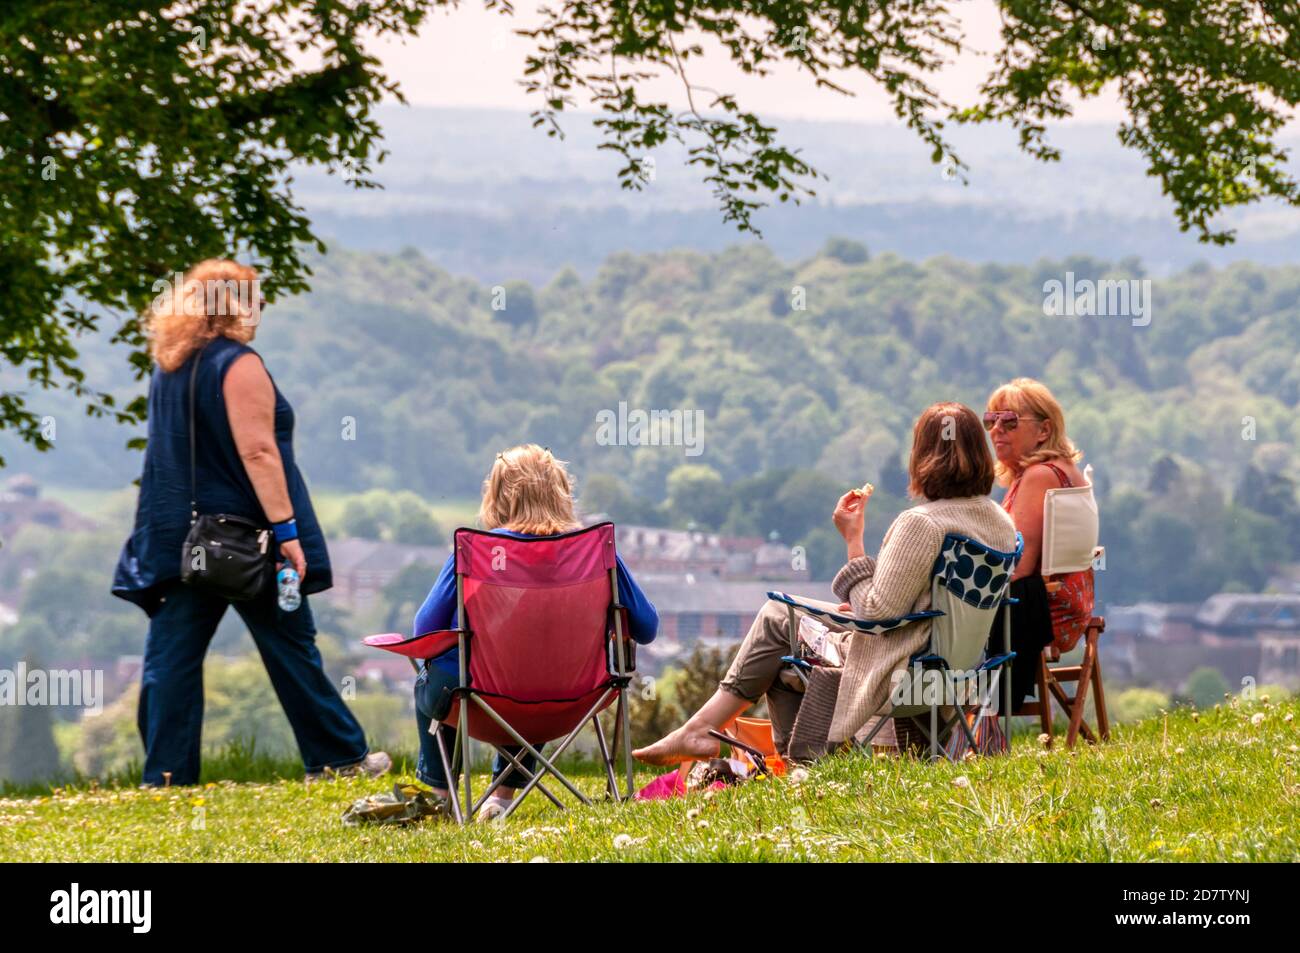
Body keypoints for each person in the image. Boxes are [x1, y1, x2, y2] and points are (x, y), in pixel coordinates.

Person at [113, 259, 389, 786]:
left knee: (170, 657)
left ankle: (165, 778)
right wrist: (287, 533)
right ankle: (337, 760)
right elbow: (259, 452)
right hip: (246, 541)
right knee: (291, 645)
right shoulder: (237, 364)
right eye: (251, 297)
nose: (259, 307)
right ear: (226, 305)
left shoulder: (171, 366)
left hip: (177, 540)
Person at [634, 402, 1017, 765]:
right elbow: (936, 603)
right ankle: (714, 735)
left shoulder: (922, 523)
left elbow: (876, 613)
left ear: (922, 457)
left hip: (903, 673)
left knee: (777, 620)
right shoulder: (1000, 522)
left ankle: (733, 741)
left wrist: (853, 540)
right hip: (964, 675)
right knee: (783, 657)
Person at [412, 444, 659, 821]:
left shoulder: (476, 552)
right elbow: (648, 628)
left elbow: (423, 631)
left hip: (483, 701)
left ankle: (439, 793)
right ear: (562, 493)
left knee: (440, 672)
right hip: (576, 699)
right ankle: (501, 798)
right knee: (542, 669)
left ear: (497, 495)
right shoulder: (596, 551)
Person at [985, 377, 1095, 709]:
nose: (996, 431)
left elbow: (1019, 566)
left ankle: (945, 721)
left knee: (942, 617)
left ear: (1044, 430)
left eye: (1010, 421)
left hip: (1044, 612)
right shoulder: (1064, 470)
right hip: (1070, 606)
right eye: (991, 421)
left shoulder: (1039, 476)